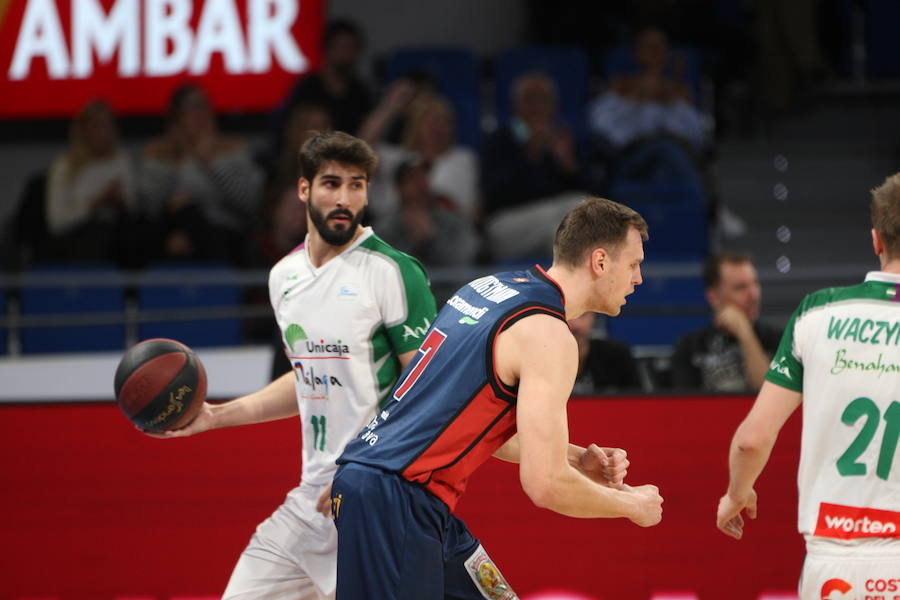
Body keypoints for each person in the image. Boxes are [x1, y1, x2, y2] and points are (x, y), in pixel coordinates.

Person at [149, 132, 438, 600]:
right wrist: (217, 416)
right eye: (331, 183)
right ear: (303, 190)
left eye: (356, 185)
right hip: (310, 501)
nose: (344, 198)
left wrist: (364, 474)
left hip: (380, 501)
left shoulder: (393, 271)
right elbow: (311, 376)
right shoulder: (283, 276)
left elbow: (432, 392)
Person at [332, 197, 664, 599]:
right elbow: (545, 486)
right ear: (599, 262)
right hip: (395, 499)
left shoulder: (489, 288)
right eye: (633, 264)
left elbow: (471, 422)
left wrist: (573, 457)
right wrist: (631, 505)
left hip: (399, 494)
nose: (639, 278)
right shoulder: (549, 335)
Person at [716, 173, 900, 599]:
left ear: (876, 240)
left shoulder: (817, 313)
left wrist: (735, 495)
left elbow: (752, 440)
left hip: (835, 561)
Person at [140, 84, 263, 264]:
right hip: (169, 237)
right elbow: (149, 208)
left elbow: (249, 204)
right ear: (176, 117)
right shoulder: (159, 154)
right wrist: (176, 159)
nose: (200, 114)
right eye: (191, 107)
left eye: (204, 106)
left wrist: (211, 164)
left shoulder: (233, 149)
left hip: (224, 237)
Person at [481, 72, 589, 261]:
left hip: (554, 221)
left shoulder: (563, 139)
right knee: (574, 213)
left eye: (543, 99)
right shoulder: (499, 139)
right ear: (516, 105)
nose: (537, 106)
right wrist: (531, 154)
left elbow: (592, 189)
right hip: (507, 225)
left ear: (554, 106)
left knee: (563, 226)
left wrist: (567, 164)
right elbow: (495, 194)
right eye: (530, 99)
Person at [670, 252, 781, 392]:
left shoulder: (779, 341)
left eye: (754, 283)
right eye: (740, 287)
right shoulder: (689, 347)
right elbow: (684, 407)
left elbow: (771, 396)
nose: (753, 295)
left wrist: (745, 334)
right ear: (714, 296)